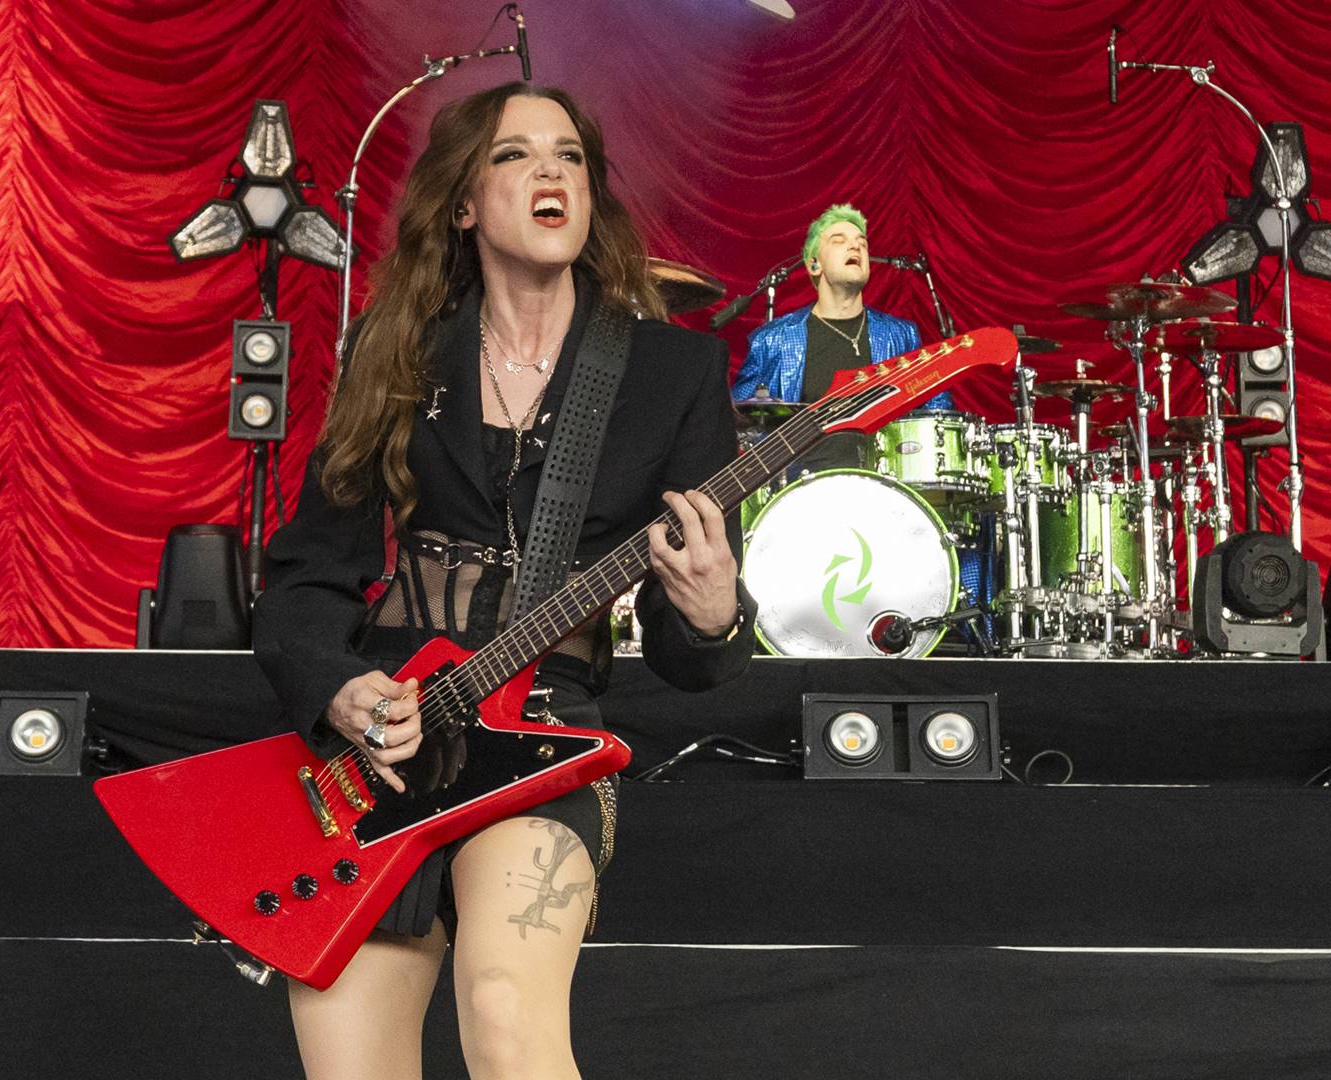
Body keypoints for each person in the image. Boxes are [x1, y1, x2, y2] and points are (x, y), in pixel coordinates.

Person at [250, 83, 758, 1080]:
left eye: (569, 156)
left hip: (547, 736)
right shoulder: (394, 358)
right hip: (385, 742)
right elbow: (304, 582)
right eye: (517, 156)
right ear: (465, 203)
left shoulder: (671, 374)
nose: (551, 174)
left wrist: (709, 615)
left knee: (502, 1003)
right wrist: (342, 690)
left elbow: (687, 653)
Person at [731, 203, 952, 470]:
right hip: (799, 495)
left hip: (882, 490)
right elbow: (737, 421)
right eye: (839, 241)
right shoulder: (772, 340)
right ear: (814, 265)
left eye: (862, 243)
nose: (856, 247)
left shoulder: (901, 335)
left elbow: (938, 413)